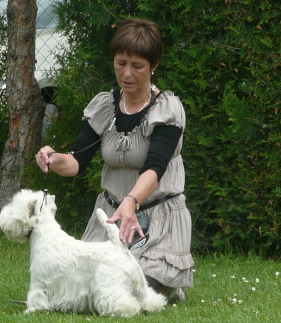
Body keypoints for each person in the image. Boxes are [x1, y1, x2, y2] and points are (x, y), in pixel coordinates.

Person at [35, 18, 193, 302]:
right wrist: (53, 158)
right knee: (80, 292)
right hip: (110, 221)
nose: (127, 73)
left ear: (154, 65)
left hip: (157, 221)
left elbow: (155, 167)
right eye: (121, 63)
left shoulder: (168, 109)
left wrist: (131, 202)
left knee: (132, 291)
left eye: (137, 66)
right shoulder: (105, 105)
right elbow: (76, 161)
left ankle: (168, 283)